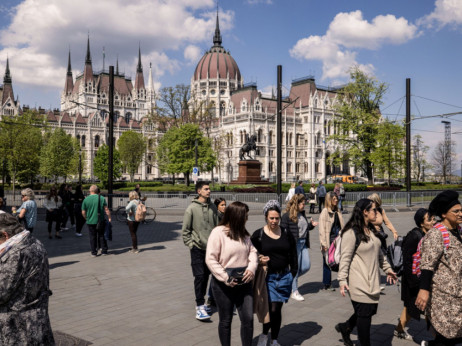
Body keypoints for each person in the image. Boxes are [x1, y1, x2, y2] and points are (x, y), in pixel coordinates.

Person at [336, 199, 397, 346]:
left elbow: (380, 254)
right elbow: (345, 259)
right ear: (365, 212)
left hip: (372, 282)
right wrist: (342, 280)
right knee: (365, 322)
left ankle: (345, 327)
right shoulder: (351, 232)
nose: (377, 212)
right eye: (374, 210)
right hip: (358, 282)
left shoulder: (371, 230)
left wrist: (388, 270)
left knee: (367, 312)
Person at [206, 201, 258, 346]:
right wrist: (225, 277)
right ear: (237, 216)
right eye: (245, 216)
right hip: (224, 284)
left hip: (244, 282)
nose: (247, 219)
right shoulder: (218, 232)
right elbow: (210, 259)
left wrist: (252, 268)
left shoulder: (243, 233)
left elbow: (253, 252)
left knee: (248, 319)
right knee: (226, 320)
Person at [0, 213, 55, 345]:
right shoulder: (34, 242)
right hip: (37, 321)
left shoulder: (15, 254)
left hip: (17, 328)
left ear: (5, 235)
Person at [416, 190, 462, 346]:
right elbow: (427, 265)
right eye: (456, 211)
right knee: (445, 336)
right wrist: (423, 291)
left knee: (455, 335)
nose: (460, 214)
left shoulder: (458, 231)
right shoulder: (436, 234)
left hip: (458, 296)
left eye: (461, 210)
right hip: (442, 298)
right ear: (444, 214)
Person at [251, 200, 298, 346]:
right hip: (268, 277)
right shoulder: (258, 235)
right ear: (266, 217)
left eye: (277, 218)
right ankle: (265, 335)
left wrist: (293, 273)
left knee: (277, 310)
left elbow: (293, 253)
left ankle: (274, 339)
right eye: (271, 218)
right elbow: (251, 253)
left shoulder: (286, 233)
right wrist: (259, 259)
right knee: (272, 308)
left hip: (284, 277)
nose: (274, 221)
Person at [394, 208, 435, 341]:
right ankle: (437, 336)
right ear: (421, 223)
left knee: (417, 307)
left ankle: (399, 329)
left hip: (422, 278)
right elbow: (407, 261)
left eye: (433, 218)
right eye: (430, 219)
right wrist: (414, 283)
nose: (433, 221)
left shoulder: (430, 233)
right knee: (413, 307)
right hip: (412, 279)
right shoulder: (414, 236)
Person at [182, 181, 219, 321]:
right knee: (199, 276)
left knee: (208, 276)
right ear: (199, 191)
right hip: (197, 249)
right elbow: (185, 230)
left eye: (209, 189)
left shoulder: (213, 207)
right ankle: (199, 306)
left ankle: (204, 302)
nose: (209, 191)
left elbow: (217, 226)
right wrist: (191, 245)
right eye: (206, 189)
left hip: (211, 250)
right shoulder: (191, 209)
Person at [280, 193, 318, 301]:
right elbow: (283, 231)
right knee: (295, 268)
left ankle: (289, 280)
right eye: (302, 203)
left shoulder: (302, 214)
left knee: (306, 266)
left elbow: (304, 228)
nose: (304, 205)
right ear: (296, 204)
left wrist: (311, 225)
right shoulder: (287, 216)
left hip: (303, 243)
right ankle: (294, 291)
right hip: (294, 244)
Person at [319, 191, 344, 290]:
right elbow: (322, 229)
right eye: (334, 199)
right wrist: (323, 243)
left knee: (341, 260)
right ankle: (327, 283)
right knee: (327, 262)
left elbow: (341, 225)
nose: (336, 200)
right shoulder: (325, 212)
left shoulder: (338, 211)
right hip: (329, 240)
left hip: (338, 239)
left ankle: (343, 280)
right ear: (329, 200)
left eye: (336, 198)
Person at [81, 185, 112, 257]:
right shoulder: (101, 198)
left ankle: (94, 252)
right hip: (100, 220)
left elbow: (83, 212)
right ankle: (104, 250)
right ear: (97, 190)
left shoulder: (86, 199)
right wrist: (109, 218)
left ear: (90, 191)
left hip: (90, 221)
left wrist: (86, 218)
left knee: (92, 236)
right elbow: (106, 210)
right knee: (101, 235)